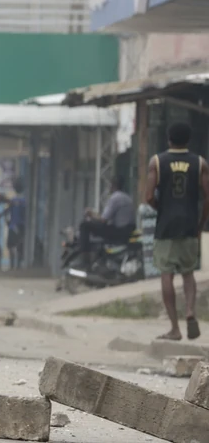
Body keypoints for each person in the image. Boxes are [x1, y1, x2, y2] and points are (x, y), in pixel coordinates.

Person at [144, 122, 208, 341]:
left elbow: (149, 196)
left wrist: (161, 209)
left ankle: (174, 328)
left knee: (166, 274)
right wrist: (200, 224)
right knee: (188, 274)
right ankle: (190, 310)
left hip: (166, 226)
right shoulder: (199, 163)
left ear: (168, 138)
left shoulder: (157, 162)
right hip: (189, 225)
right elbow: (208, 197)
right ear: (188, 140)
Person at [76, 176, 135, 269]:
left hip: (118, 231)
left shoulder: (115, 198)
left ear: (114, 186)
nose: (109, 188)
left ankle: (85, 259)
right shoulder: (128, 198)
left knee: (84, 225)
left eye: (110, 185)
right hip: (127, 230)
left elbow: (103, 219)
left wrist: (90, 213)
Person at [6, 178, 29, 270]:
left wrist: (7, 221)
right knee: (19, 244)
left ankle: (12, 265)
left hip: (12, 225)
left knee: (10, 245)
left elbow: (8, 212)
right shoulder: (24, 201)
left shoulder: (12, 200)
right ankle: (18, 265)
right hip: (21, 225)